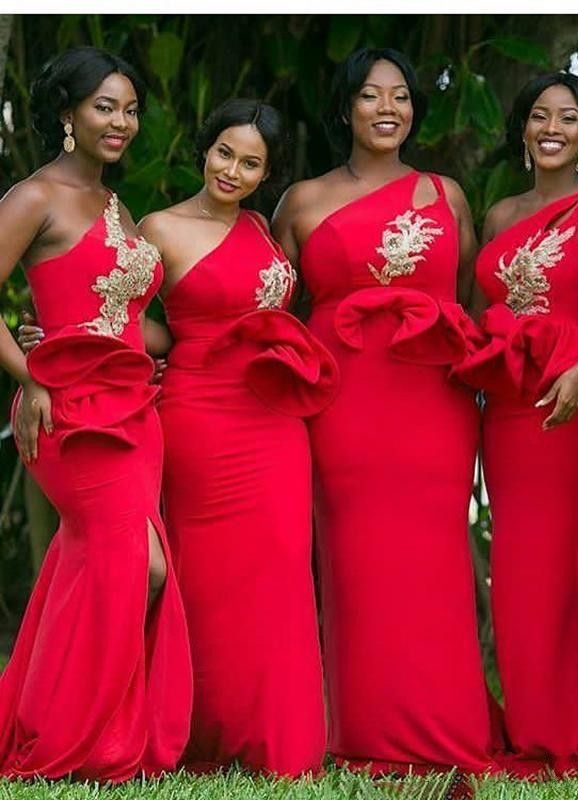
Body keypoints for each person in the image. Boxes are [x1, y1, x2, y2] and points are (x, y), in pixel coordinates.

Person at [272, 47, 496, 774]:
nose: (388, 108)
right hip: (343, 400)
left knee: (432, 559)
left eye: (400, 95)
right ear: (345, 109)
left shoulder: (447, 193)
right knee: (356, 562)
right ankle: (361, 729)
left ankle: (446, 728)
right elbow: (266, 305)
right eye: (371, 96)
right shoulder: (300, 201)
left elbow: (464, 297)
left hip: (433, 398)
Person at [0, 46, 192, 781]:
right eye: (104, 106)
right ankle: (76, 741)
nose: (121, 121)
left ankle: (72, 726)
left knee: (99, 567)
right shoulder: (35, 196)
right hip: (67, 412)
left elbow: (122, 313)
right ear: (67, 115)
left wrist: (164, 349)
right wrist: (32, 375)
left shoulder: (115, 204)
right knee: (132, 565)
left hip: (133, 411)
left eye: (130, 108)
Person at [137, 100, 336, 775]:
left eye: (250, 163)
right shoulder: (157, 228)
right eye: (225, 152)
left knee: (279, 567)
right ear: (205, 148)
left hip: (273, 420)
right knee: (208, 577)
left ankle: (278, 741)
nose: (233, 169)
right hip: (198, 413)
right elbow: (124, 314)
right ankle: (203, 734)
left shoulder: (260, 227)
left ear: (265, 175)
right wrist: (65, 333)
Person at [454, 73, 578, 774]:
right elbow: (474, 313)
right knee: (521, 570)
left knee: (566, 564)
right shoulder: (497, 214)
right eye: (539, 117)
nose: (552, 128)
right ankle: (532, 723)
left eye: (568, 117)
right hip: (509, 412)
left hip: (573, 403)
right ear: (522, 130)